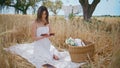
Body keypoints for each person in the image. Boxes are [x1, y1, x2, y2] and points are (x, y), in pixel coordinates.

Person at [5, 6, 83, 68]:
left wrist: (50, 35)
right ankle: (51, 55)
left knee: (56, 57)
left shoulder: (47, 22)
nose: (44, 16)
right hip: (39, 44)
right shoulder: (35, 23)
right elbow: (33, 37)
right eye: (42, 14)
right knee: (44, 59)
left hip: (47, 44)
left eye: (45, 14)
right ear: (39, 14)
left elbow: (50, 33)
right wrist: (42, 37)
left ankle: (52, 54)